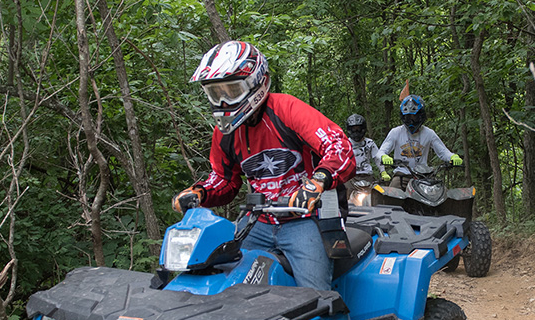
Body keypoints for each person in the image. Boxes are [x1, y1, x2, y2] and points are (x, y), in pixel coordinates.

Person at [172, 40, 355, 290]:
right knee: (222, 280)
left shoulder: (287, 109)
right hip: (258, 220)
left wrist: (317, 182)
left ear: (258, 82)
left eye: (231, 90)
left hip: (305, 219)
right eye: (216, 93)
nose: (224, 101)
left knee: (314, 295)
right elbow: (224, 179)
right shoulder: (224, 133)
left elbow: (338, 146)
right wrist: (200, 193)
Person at [376, 95, 462, 185]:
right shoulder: (396, 132)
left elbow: (443, 152)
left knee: (440, 193)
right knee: (392, 194)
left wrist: (452, 157)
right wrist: (384, 156)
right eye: (408, 117)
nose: (411, 121)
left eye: (414, 117)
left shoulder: (429, 133)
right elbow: (380, 152)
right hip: (402, 175)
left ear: (421, 116)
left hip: (424, 176)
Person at [344, 114, 388, 181]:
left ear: (363, 129)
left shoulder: (369, 143)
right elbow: (338, 159)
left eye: (358, 129)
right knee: (344, 190)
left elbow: (377, 157)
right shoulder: (344, 144)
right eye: (354, 129)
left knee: (378, 190)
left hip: (367, 175)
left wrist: (383, 171)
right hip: (350, 177)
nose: (356, 131)